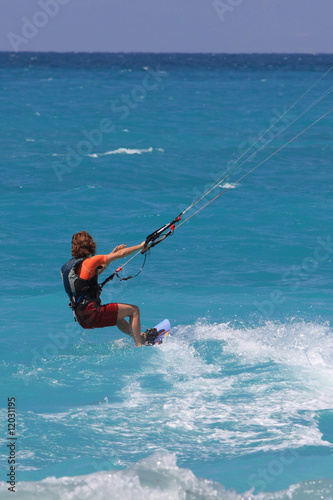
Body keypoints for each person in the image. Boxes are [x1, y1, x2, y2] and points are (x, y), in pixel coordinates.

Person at [61, 230, 150, 347]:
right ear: (90, 245)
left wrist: (111, 255)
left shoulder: (68, 267)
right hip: (92, 313)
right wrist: (140, 246)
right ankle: (140, 345)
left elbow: (93, 274)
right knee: (134, 310)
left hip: (81, 317)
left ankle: (140, 336)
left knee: (120, 315)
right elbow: (121, 254)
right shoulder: (90, 261)